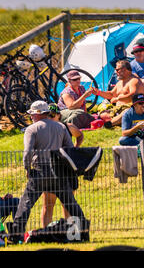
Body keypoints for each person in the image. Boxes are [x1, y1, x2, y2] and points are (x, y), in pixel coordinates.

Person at [7, 101, 88, 243]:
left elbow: (27, 153)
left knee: (25, 204)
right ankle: (84, 232)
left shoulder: (32, 129)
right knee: (71, 204)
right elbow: (69, 149)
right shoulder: (61, 127)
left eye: (32, 114)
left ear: (38, 114)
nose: (31, 116)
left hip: (39, 171)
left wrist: (27, 169)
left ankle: (15, 235)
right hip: (58, 172)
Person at [40, 103, 84, 228]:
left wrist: (75, 148)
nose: (49, 118)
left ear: (59, 115)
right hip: (50, 169)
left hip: (67, 169)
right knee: (48, 205)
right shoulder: (42, 128)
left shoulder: (68, 127)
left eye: (52, 115)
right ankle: (45, 233)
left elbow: (80, 135)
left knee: (68, 205)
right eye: (47, 115)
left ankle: (69, 233)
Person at [92, 60, 144, 127]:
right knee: (104, 114)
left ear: (124, 70)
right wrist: (98, 92)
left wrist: (118, 99)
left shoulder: (134, 81)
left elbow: (133, 96)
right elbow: (111, 94)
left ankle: (109, 124)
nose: (116, 72)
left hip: (132, 108)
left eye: (117, 70)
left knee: (127, 113)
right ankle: (111, 121)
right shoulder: (120, 82)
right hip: (119, 109)